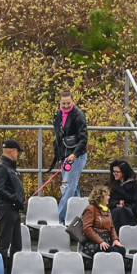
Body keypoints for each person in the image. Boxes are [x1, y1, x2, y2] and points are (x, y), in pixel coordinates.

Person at [53, 89, 88, 224]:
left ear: (72, 101)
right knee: (73, 190)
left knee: (67, 187)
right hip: (65, 156)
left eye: (68, 103)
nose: (66, 106)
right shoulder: (57, 114)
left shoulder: (78, 115)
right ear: (60, 103)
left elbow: (83, 139)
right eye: (64, 103)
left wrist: (74, 154)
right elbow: (58, 136)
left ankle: (59, 219)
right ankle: (78, 220)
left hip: (76, 156)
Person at [0, 139, 26, 274]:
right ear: (12, 151)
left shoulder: (10, 166)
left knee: (17, 245)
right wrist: (15, 199)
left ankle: (12, 271)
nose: (18, 155)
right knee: (4, 244)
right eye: (17, 152)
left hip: (13, 209)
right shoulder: (1, 166)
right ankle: (2, 272)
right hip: (6, 209)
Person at [80, 184, 126, 258]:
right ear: (101, 198)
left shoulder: (107, 210)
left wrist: (115, 239)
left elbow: (112, 227)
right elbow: (87, 228)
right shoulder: (91, 209)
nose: (109, 197)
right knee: (114, 252)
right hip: (94, 242)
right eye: (107, 195)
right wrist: (100, 241)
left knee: (121, 250)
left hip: (107, 240)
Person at [108, 159, 137, 232]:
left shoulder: (134, 186)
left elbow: (136, 203)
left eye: (117, 172)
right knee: (119, 211)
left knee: (123, 211)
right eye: (113, 171)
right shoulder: (109, 185)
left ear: (124, 172)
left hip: (129, 213)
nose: (114, 174)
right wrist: (117, 204)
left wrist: (125, 206)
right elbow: (105, 200)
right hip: (112, 213)